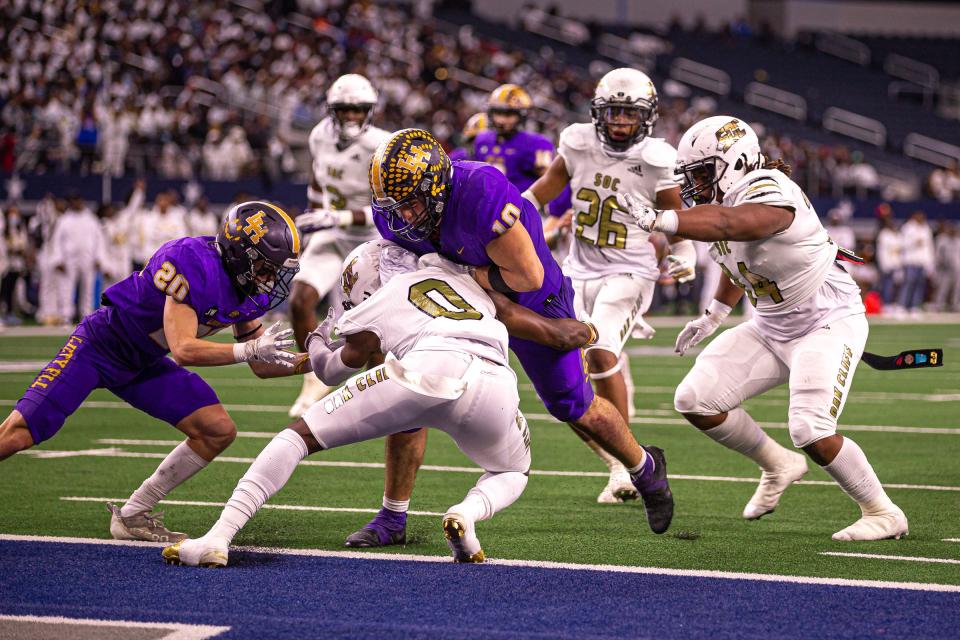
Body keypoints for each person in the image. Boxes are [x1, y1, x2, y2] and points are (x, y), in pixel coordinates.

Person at [160, 240, 598, 567]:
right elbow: (540, 325)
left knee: (298, 438)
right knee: (512, 471)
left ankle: (219, 536)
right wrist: (583, 332)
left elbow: (333, 371)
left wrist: (316, 340)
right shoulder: (464, 279)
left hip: (422, 372)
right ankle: (466, 514)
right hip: (494, 382)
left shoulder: (381, 298)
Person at [343, 128, 674, 548]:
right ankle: (392, 517)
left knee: (572, 405)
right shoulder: (393, 214)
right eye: (395, 205)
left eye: (411, 203)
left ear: (437, 184)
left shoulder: (480, 192)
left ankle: (644, 467)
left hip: (532, 296)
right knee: (412, 390)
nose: (403, 216)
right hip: (460, 300)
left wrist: (464, 276)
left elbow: (526, 276)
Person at [620, 115, 908, 541]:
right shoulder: (728, 203)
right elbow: (735, 260)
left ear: (734, 162)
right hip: (771, 324)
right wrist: (713, 316)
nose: (695, 183)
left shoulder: (770, 187)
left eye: (702, 171)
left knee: (810, 428)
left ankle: (883, 512)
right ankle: (777, 463)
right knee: (695, 399)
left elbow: (734, 225)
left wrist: (664, 220)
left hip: (825, 320)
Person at [0, 201, 306, 542]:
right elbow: (184, 349)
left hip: (143, 363)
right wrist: (248, 349)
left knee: (217, 430)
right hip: (100, 346)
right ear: (239, 253)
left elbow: (262, 365)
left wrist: (321, 360)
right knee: (21, 432)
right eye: (264, 267)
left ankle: (133, 514)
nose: (269, 278)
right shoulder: (191, 262)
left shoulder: (244, 289)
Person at [526, 68, 696, 503]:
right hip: (576, 270)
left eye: (629, 113)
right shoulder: (578, 144)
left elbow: (675, 219)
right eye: (613, 112)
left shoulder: (658, 158)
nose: (620, 121)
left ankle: (629, 461)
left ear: (648, 116)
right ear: (598, 113)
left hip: (630, 269)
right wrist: (507, 212)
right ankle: (614, 461)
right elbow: (541, 192)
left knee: (599, 349)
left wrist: (686, 253)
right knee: (562, 372)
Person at [287, 74, 392, 418]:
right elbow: (318, 180)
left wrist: (339, 218)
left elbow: (388, 205)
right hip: (332, 234)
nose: (351, 116)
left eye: (357, 110)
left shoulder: (383, 144)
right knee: (300, 300)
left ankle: (373, 395)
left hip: (372, 240)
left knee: (369, 327)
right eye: (344, 109)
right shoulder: (319, 135)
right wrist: (315, 214)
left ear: (369, 111)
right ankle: (316, 378)